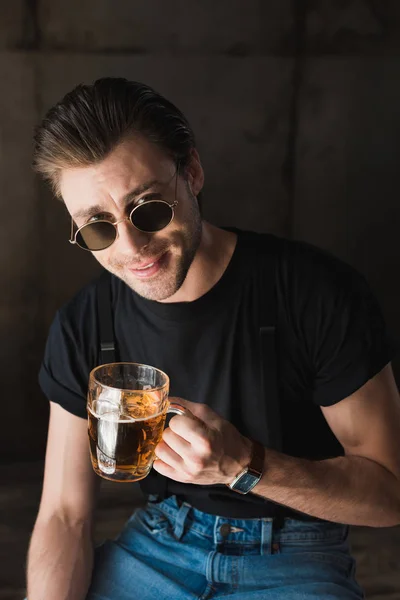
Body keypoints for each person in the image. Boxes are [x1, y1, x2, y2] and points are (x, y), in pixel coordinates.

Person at [26, 77, 400, 600]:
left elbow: (390, 490)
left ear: (193, 173)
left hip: (295, 552)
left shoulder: (315, 292)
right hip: (159, 543)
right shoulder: (84, 323)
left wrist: (244, 465)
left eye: (148, 208)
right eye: (98, 227)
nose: (132, 247)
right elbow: (64, 515)